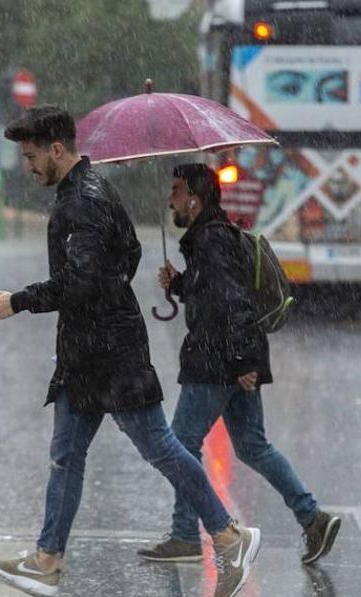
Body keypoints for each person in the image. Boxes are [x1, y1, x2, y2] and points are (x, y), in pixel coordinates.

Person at [0, 106, 261, 597]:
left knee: (161, 449)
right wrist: (106, 289)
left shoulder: (81, 204)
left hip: (110, 355)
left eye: (31, 155)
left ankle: (228, 535)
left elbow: (82, 280)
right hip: (90, 351)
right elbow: (127, 255)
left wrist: (18, 301)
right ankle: (46, 560)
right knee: (67, 455)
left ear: (57, 149)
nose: (27, 165)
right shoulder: (93, 191)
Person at [139, 163, 341, 565]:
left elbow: (233, 302)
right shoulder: (210, 238)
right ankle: (312, 518)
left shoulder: (210, 241)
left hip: (218, 360)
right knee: (252, 446)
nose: (170, 199)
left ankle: (185, 535)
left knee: (179, 444)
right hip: (233, 358)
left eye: (177, 191)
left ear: (195, 200)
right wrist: (180, 284)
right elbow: (216, 294)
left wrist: (242, 361)